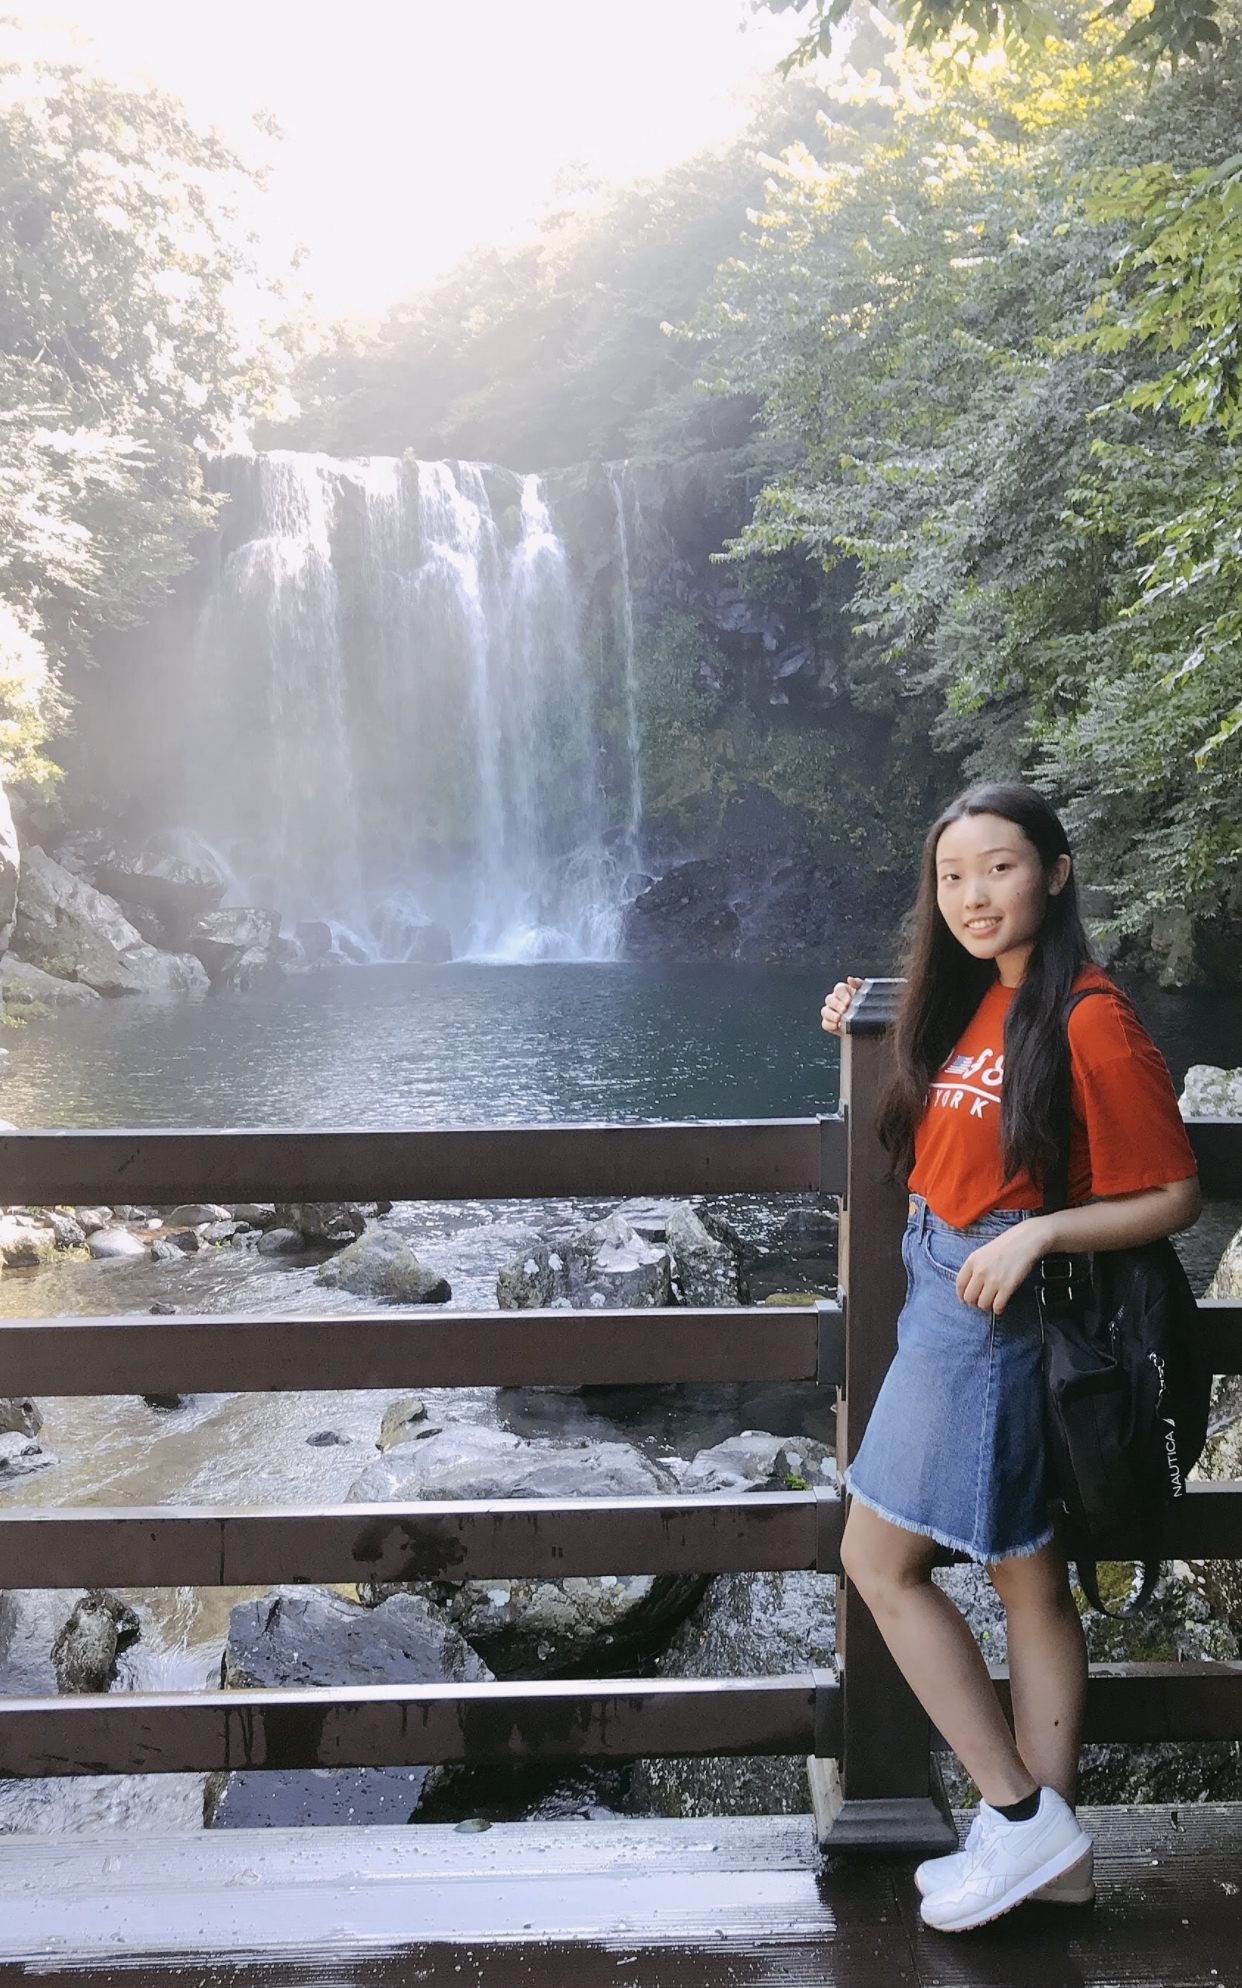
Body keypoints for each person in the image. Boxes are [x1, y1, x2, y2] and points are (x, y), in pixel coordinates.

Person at [820, 781, 1200, 1934]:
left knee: (877, 1558)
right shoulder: (984, 996)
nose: (974, 894)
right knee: (1024, 1572)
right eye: (952, 876)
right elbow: (953, 1111)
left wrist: (1039, 1229)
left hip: (991, 1303)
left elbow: (1173, 1192)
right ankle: (1055, 1855)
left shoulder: (1089, 1016)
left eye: (999, 867)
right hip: (944, 1278)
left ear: (1057, 871)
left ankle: (1020, 1810)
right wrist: (863, 1014)